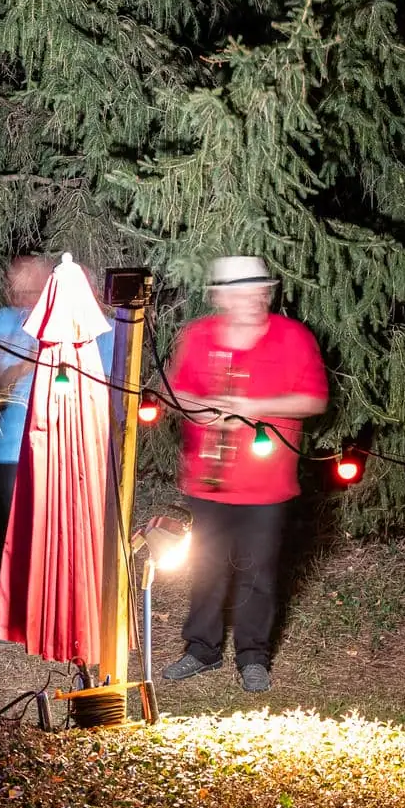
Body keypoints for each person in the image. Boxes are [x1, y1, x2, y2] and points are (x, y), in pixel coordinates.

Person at [161, 255, 328, 693]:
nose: (255, 299)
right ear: (220, 296)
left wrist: (255, 408)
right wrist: (208, 413)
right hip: (206, 479)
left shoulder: (293, 336)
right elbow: (175, 392)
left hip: (267, 483)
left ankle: (253, 656)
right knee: (206, 570)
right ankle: (202, 649)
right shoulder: (198, 336)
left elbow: (313, 399)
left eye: (261, 291)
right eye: (242, 292)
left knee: (258, 574)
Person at [0, 255, 116, 571]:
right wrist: (11, 367)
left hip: (68, 447)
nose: (20, 296)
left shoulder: (89, 326)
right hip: (11, 451)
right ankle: (24, 604)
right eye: (13, 287)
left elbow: (103, 390)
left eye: (29, 289)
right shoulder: (0, 322)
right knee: (17, 536)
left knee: (64, 534)